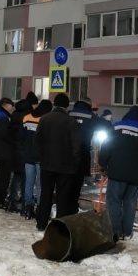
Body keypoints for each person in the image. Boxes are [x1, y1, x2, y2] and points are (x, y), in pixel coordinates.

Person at [99, 104, 138, 242]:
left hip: (116, 171)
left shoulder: (117, 127)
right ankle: (127, 231)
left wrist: (103, 163)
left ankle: (115, 230)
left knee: (113, 201)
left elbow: (106, 146)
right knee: (130, 203)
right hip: (134, 175)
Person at [35, 92, 81, 231]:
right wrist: (76, 162)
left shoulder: (44, 119)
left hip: (47, 164)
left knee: (45, 194)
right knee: (62, 197)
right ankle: (59, 226)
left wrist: (42, 156)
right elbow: (76, 145)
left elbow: (37, 141)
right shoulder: (71, 121)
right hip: (66, 167)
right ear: (66, 106)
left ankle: (41, 223)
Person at [21, 99, 52, 220]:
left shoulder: (27, 117)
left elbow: (22, 135)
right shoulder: (46, 120)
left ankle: (27, 208)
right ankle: (40, 207)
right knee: (40, 184)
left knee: (29, 182)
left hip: (28, 155)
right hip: (41, 156)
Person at [68, 97, 102, 205]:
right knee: (78, 182)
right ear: (89, 106)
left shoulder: (68, 113)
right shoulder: (91, 117)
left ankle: (65, 204)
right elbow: (105, 126)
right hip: (82, 153)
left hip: (66, 153)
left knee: (66, 182)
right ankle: (73, 204)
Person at [6, 98, 32, 213]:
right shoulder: (26, 117)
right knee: (25, 178)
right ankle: (23, 203)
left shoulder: (14, 115)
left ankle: (12, 201)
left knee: (17, 176)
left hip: (14, 150)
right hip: (24, 150)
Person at [0, 97, 15, 209]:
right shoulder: (4, 117)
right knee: (3, 177)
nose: (11, 108)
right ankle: (0, 200)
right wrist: (14, 140)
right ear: (6, 105)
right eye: (10, 105)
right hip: (5, 151)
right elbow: (6, 135)